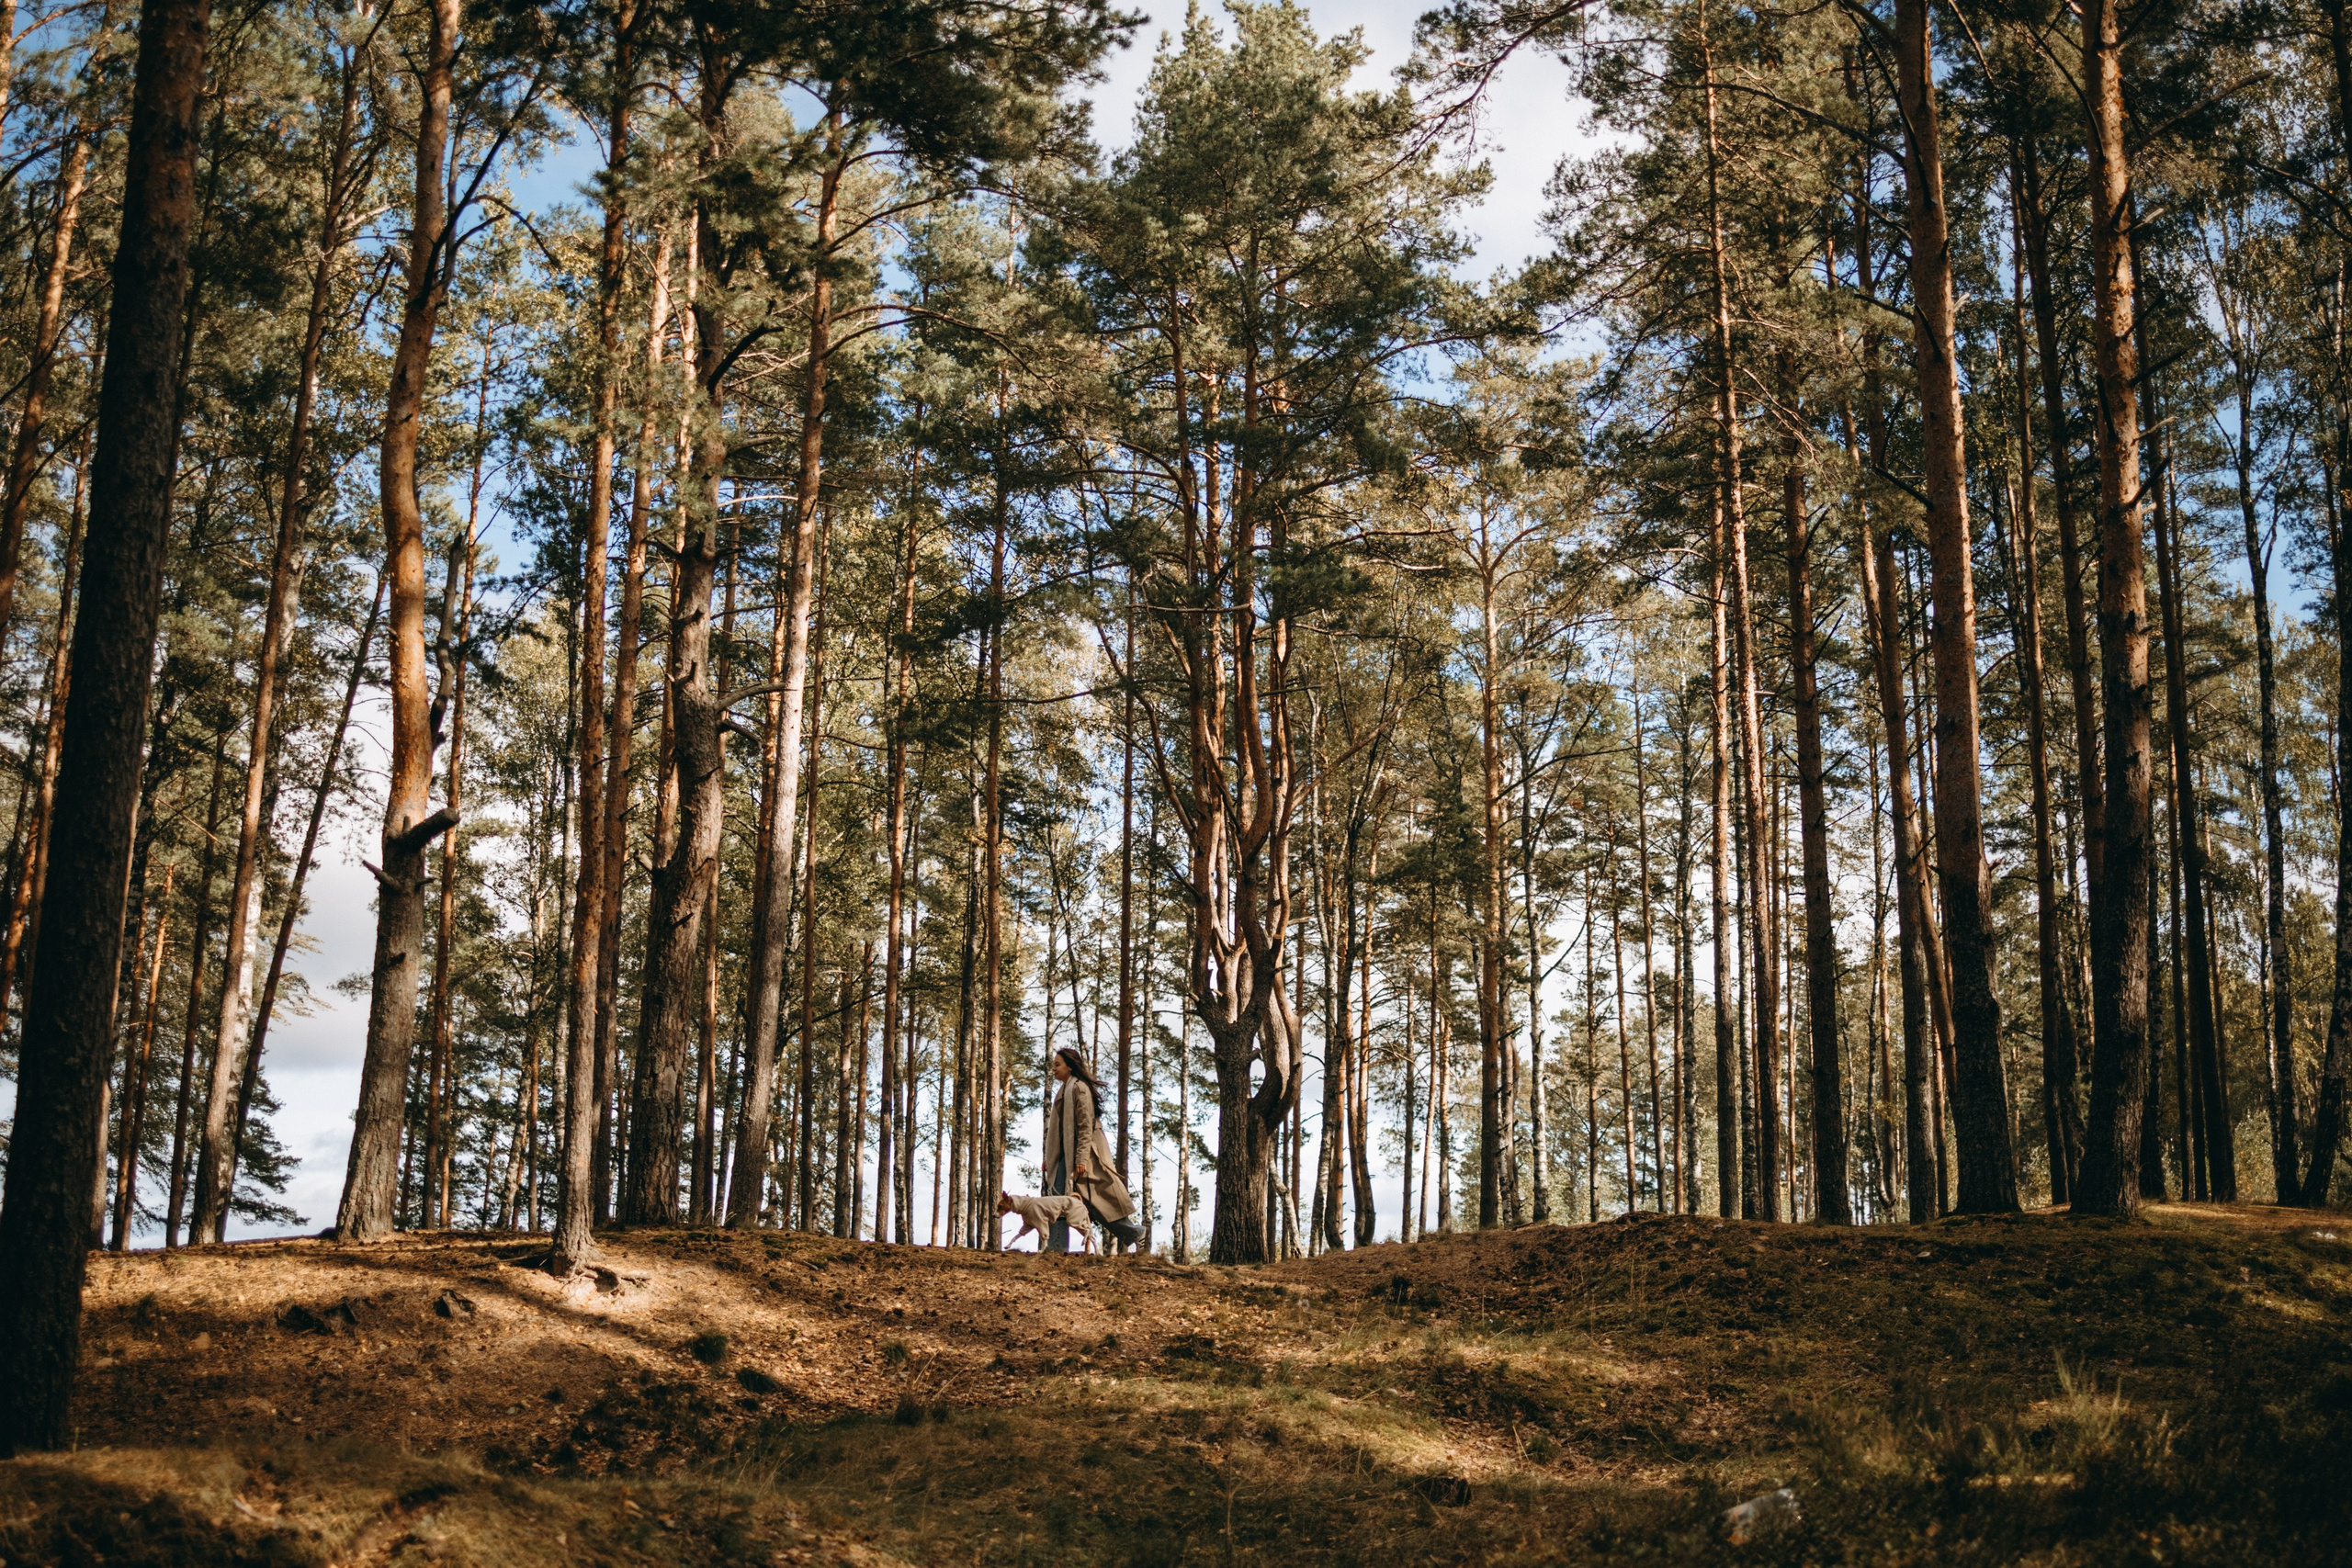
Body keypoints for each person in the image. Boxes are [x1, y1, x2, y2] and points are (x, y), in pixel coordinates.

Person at [1042, 1046, 1136, 1252]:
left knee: (1096, 1204)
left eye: (1058, 1065)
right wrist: (1051, 1158)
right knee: (1058, 1198)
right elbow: (1059, 1131)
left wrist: (1081, 1160)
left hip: (1084, 1155)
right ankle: (1056, 1248)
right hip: (1064, 1156)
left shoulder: (1079, 1089)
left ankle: (1135, 1233)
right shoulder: (1064, 1088)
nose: (1054, 1069)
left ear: (1070, 1066)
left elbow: (1086, 1127)